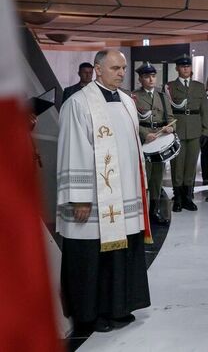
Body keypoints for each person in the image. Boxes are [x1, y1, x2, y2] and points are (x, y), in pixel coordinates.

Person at [56, 50, 151, 333]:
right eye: (114, 68)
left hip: (124, 196)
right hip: (94, 200)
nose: (121, 73)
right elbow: (73, 149)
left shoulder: (125, 101)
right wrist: (79, 197)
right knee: (90, 257)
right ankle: (90, 315)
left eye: (123, 68)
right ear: (98, 69)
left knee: (119, 254)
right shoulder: (79, 103)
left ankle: (117, 307)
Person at [166, 54, 208, 213]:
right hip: (177, 129)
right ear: (177, 68)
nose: (186, 69)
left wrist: (206, 131)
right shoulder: (170, 87)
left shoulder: (198, 86)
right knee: (177, 165)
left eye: (188, 66)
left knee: (191, 165)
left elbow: (205, 110)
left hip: (195, 129)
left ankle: (187, 197)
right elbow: (167, 111)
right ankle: (177, 197)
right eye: (182, 66)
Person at [132, 62, 175, 226]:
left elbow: (170, 118)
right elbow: (132, 121)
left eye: (153, 76)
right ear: (140, 79)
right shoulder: (133, 97)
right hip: (143, 142)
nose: (151, 79)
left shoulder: (163, 97)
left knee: (157, 178)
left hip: (160, 141)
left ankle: (154, 211)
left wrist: (171, 127)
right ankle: (140, 213)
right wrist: (145, 134)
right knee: (143, 177)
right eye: (146, 76)